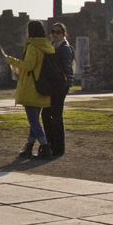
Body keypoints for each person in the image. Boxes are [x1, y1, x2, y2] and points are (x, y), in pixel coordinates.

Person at [4, 20, 56, 160]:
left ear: (30, 31)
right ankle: (28, 147)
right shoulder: (46, 46)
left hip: (32, 87)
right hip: (42, 87)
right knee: (35, 120)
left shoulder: (33, 47)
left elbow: (29, 65)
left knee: (33, 120)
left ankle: (45, 147)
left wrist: (11, 61)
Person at [41, 23, 75, 158]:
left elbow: (66, 69)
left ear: (63, 34)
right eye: (53, 31)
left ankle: (58, 147)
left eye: (58, 32)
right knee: (47, 115)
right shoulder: (51, 47)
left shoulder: (64, 49)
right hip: (53, 85)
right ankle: (51, 143)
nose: (55, 34)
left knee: (56, 116)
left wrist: (66, 84)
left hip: (61, 85)